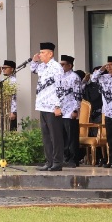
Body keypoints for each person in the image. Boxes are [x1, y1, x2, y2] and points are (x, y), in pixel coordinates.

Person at [30, 41, 63, 171]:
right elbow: (33, 69)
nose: (40, 54)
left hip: (52, 106)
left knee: (55, 136)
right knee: (46, 136)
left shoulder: (56, 67)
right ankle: (48, 161)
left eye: (43, 53)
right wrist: (34, 60)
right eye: (40, 52)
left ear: (50, 54)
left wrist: (58, 106)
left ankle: (57, 162)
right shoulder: (42, 66)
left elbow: (60, 87)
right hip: (42, 105)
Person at [56, 55, 82, 167]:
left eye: (63, 64)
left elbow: (78, 95)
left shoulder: (74, 77)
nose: (61, 66)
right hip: (61, 110)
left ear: (69, 65)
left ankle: (73, 159)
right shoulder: (59, 77)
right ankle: (65, 158)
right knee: (62, 137)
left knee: (72, 137)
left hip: (71, 110)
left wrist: (75, 110)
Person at [0, 60, 17, 131]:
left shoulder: (14, 81)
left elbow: (15, 97)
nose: (3, 70)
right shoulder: (3, 80)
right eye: (2, 68)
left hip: (10, 111)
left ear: (12, 69)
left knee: (11, 130)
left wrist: (14, 112)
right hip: (3, 110)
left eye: (5, 68)